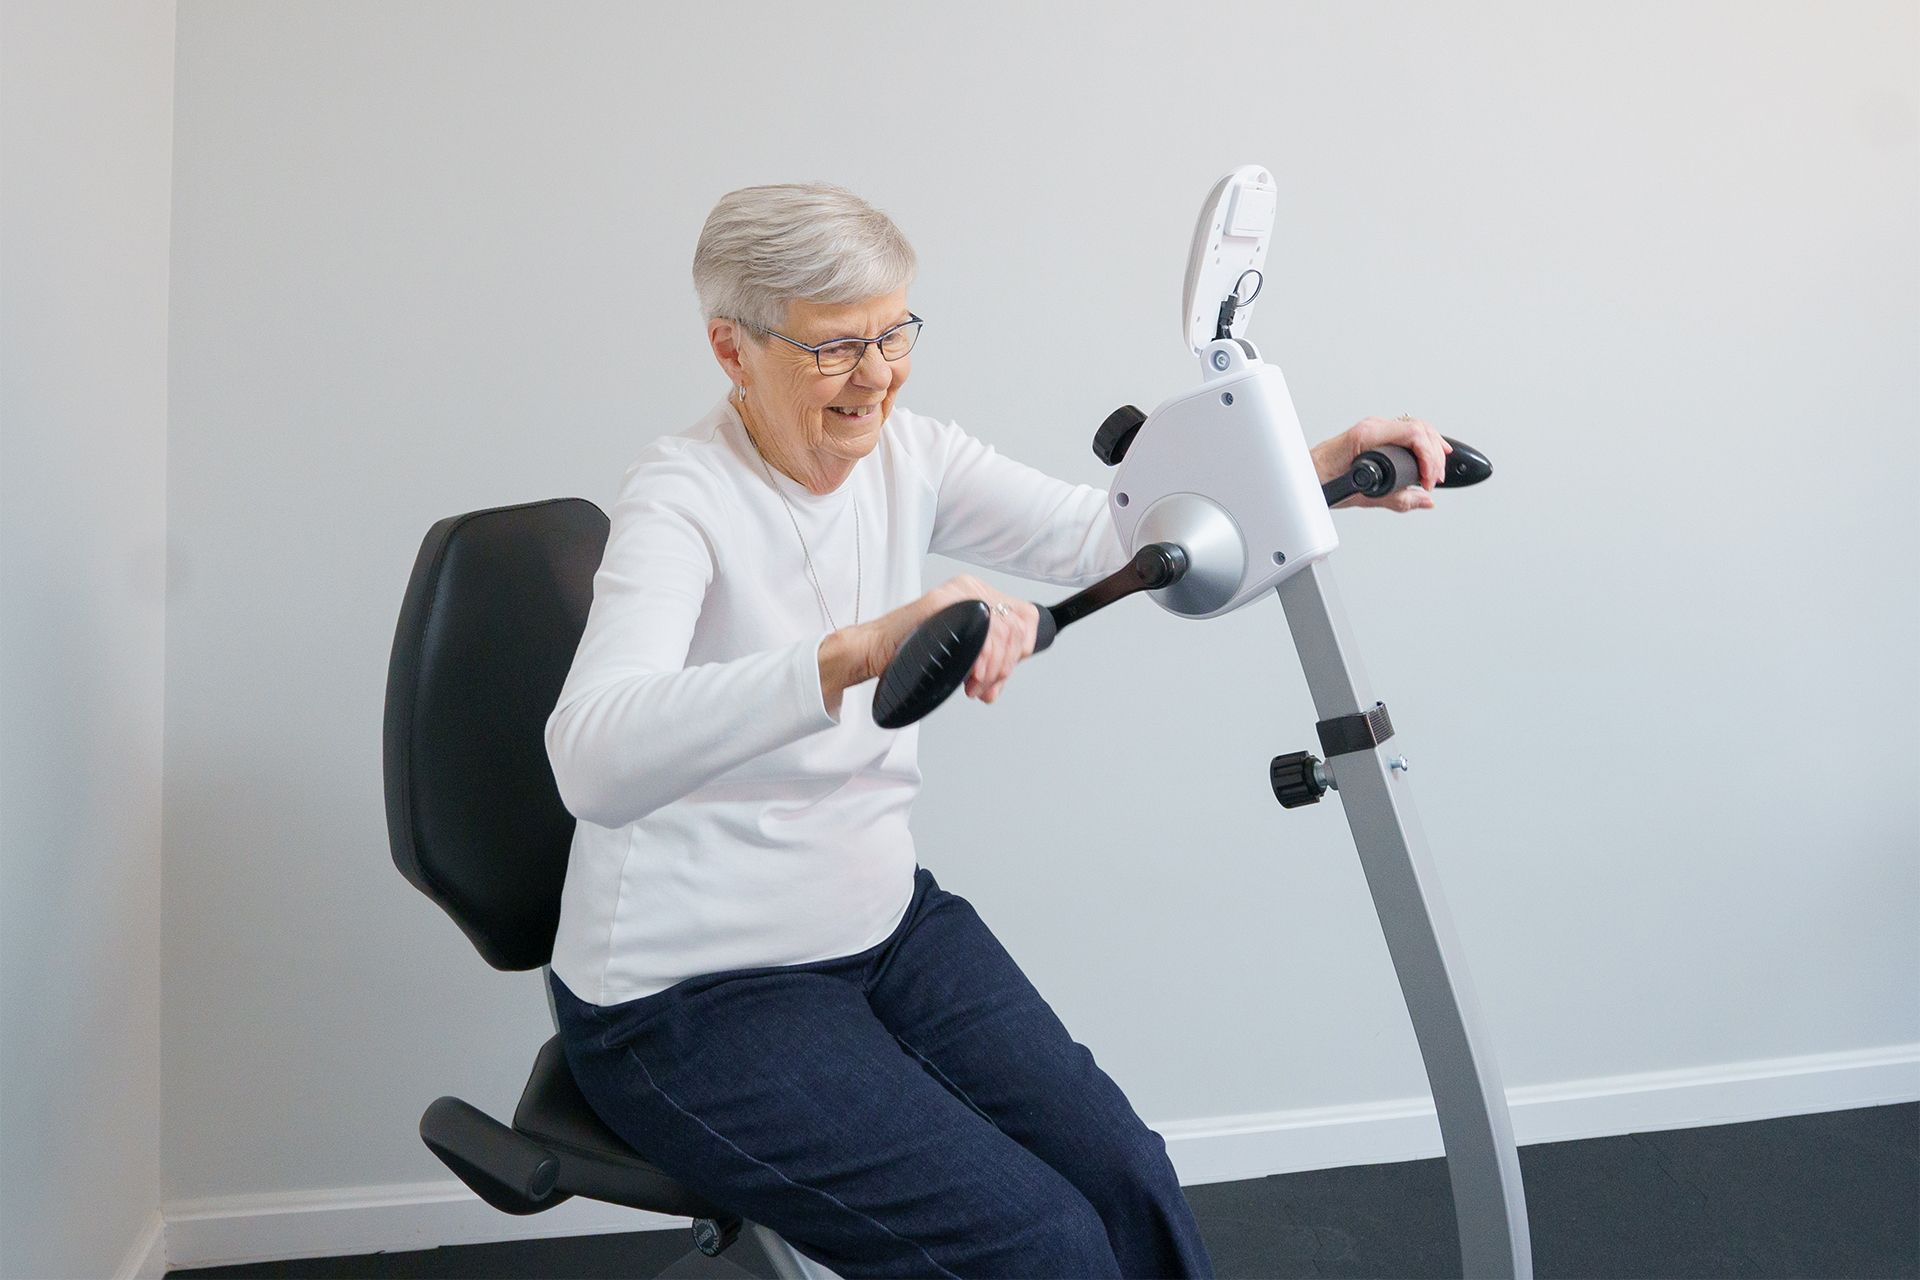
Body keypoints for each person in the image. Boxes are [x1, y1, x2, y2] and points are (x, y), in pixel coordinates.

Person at [543, 183, 1451, 1279]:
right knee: (1039, 1245)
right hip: (688, 996)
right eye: (836, 348)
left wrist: (1318, 470)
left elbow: (1094, 534)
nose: (876, 374)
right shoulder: (679, 498)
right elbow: (589, 757)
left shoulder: (907, 452)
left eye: (893, 333)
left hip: (882, 928)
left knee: (1127, 1177)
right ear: (731, 349)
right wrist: (855, 650)